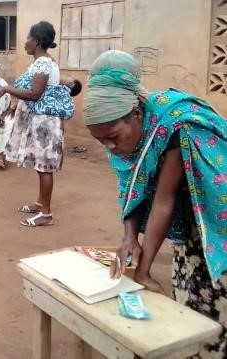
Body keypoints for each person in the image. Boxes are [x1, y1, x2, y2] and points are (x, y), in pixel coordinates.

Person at [84, 50, 227, 358]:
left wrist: (144, 271)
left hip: (219, 220)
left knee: (219, 303)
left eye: (111, 137)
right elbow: (132, 184)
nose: (109, 147)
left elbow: (163, 200)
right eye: (100, 141)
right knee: (190, 304)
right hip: (191, 227)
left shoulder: (177, 124)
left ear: (136, 114)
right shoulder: (125, 131)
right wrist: (128, 237)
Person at [0, 21, 64, 227]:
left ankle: (46, 214)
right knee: (40, 166)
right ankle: (41, 204)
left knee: (44, 167)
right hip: (39, 120)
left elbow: (34, 94)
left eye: (28, 39)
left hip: (44, 123)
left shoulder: (43, 64)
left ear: (38, 41)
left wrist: (7, 89)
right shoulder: (42, 62)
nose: (25, 43)